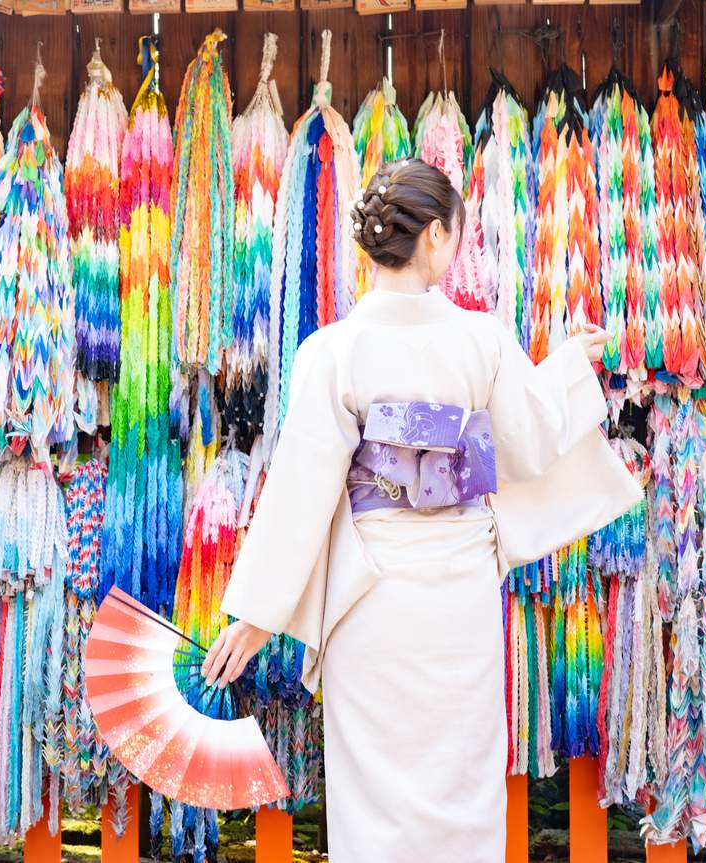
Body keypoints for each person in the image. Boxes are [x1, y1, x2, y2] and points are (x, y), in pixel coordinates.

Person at [201, 159, 643, 862]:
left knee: (374, 801)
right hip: (457, 595)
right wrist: (567, 368)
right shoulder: (480, 341)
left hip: (370, 598)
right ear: (435, 235)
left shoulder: (332, 352)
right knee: (461, 789)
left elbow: (301, 490)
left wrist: (257, 617)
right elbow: (529, 443)